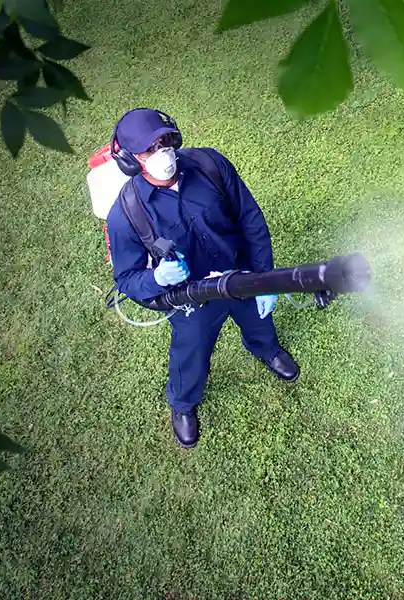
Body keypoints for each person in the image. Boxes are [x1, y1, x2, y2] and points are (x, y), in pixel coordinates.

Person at [106, 108, 299, 448]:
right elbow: (126, 279)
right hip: (192, 298)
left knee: (260, 322)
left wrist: (264, 277)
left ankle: (266, 350)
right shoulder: (125, 215)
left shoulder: (210, 165)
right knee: (190, 353)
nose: (161, 153)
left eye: (164, 142)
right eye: (149, 150)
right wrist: (159, 280)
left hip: (240, 274)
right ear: (130, 160)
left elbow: (250, 218)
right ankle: (183, 404)